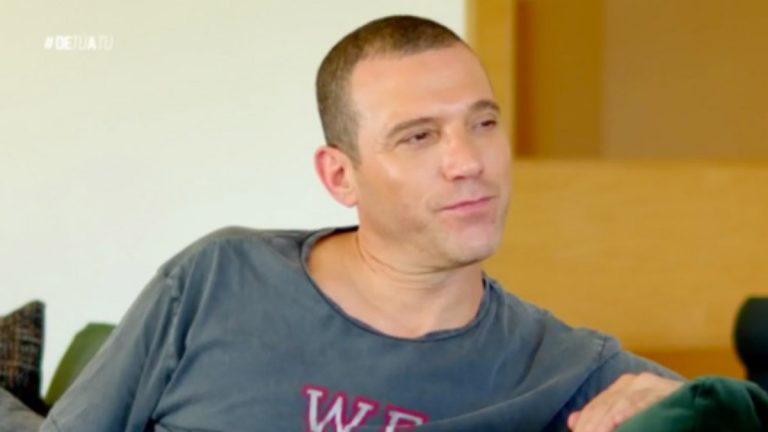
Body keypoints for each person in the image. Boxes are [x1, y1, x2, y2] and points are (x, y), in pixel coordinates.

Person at [41, 15, 682, 432]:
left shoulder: (566, 368)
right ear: (339, 176)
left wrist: (694, 411)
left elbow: (727, 410)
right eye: (418, 136)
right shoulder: (217, 280)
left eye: (483, 123)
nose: (469, 162)